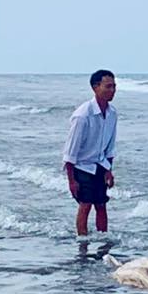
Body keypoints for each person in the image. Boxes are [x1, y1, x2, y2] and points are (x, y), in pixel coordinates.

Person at [60, 69, 118, 236]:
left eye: (114, 86)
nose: (112, 90)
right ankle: (82, 244)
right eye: (108, 86)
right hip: (81, 165)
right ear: (95, 87)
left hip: (99, 163)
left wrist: (109, 170)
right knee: (85, 204)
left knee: (101, 204)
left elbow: (110, 146)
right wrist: (71, 181)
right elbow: (70, 152)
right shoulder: (82, 115)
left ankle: (103, 240)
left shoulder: (112, 113)